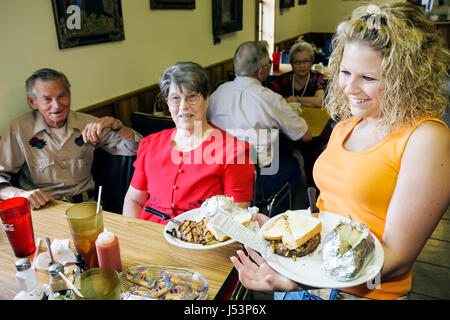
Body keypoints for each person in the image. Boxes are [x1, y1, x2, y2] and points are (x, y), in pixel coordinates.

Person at [231, 2, 449, 300]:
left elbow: (397, 259)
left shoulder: (425, 138)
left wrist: (301, 280)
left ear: (406, 79)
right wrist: (285, 233)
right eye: (345, 72)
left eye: (368, 78)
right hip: (309, 282)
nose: (349, 88)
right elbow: (330, 212)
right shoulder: (348, 125)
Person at [122, 62, 254, 224]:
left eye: (192, 97)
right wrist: (133, 236)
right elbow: (134, 201)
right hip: (148, 236)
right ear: (167, 103)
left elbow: (236, 219)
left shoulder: (234, 151)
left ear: (207, 99)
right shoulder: (149, 144)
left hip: (201, 241)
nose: (183, 106)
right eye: (175, 98)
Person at [0, 68, 142, 209]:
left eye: (62, 96)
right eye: (47, 99)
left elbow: (137, 149)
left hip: (86, 206)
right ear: (32, 102)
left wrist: (116, 125)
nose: (57, 105)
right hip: (44, 210)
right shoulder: (19, 129)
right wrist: (18, 194)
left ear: (69, 94)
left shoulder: (88, 123)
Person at [207, 41, 312, 213]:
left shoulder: (217, 93)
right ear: (261, 71)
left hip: (217, 172)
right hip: (254, 179)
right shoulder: (269, 98)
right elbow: (305, 135)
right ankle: (275, 220)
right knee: (292, 164)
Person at [268, 41, 325, 108]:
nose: (302, 65)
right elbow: (270, 100)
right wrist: (287, 99)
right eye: (297, 62)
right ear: (291, 64)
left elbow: (320, 101)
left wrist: (296, 99)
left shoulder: (317, 77)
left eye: (306, 61)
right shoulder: (284, 79)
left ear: (311, 62)